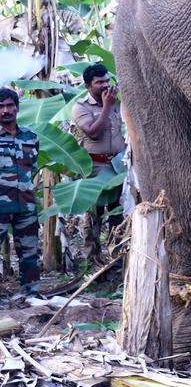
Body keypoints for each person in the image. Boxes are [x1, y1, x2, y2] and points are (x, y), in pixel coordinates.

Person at [70, 64, 125, 253]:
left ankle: (117, 255)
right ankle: (92, 258)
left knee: (118, 212)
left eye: (106, 80)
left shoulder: (116, 102)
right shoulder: (81, 107)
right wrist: (107, 106)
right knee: (95, 214)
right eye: (98, 82)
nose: (104, 85)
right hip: (95, 166)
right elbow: (93, 133)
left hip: (118, 165)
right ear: (88, 86)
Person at [0, 88, 41, 296]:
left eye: (9, 106)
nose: (5, 111)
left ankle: (31, 294)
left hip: (26, 203)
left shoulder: (31, 137)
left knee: (29, 252)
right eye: (1, 106)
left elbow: (32, 166)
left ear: (17, 108)